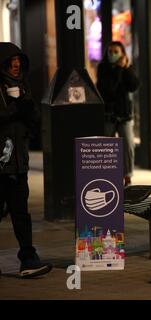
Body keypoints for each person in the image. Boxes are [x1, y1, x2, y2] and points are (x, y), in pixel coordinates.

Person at [0, 42, 52, 278]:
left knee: (21, 213)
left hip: (18, 164)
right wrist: (13, 109)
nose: (15, 67)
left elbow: (34, 120)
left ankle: (28, 258)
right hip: (0, 164)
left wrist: (27, 107)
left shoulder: (23, 86)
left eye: (18, 64)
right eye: (11, 64)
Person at [97, 41, 139, 186]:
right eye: (110, 52)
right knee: (107, 147)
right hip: (108, 114)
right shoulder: (103, 68)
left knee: (127, 145)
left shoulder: (127, 68)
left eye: (116, 52)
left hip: (125, 114)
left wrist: (126, 69)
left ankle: (127, 176)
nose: (113, 54)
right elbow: (108, 90)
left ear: (122, 53)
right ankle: (109, 176)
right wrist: (118, 70)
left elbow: (133, 86)